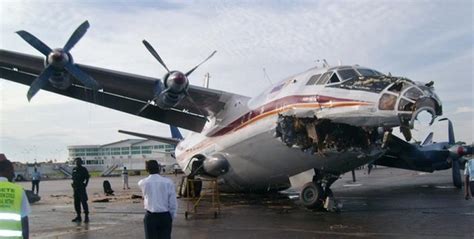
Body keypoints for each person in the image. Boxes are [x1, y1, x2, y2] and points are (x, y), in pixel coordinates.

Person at [138, 160, 177, 239]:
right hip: (165, 215)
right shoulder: (168, 182)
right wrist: (171, 216)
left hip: (150, 216)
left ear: (147, 169)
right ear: (159, 168)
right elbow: (173, 203)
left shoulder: (142, 183)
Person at [0, 153, 31, 239]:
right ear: (7, 171)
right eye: (12, 171)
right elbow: (24, 221)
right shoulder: (19, 191)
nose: (13, 175)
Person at [71, 157, 90, 223]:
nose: (77, 163)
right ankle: (78, 216)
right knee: (76, 203)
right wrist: (73, 184)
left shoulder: (83, 169)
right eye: (76, 162)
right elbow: (73, 178)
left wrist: (85, 184)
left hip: (81, 188)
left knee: (84, 202)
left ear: (81, 162)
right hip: (75, 188)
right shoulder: (74, 169)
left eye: (78, 162)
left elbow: (87, 178)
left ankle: (86, 216)